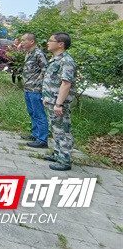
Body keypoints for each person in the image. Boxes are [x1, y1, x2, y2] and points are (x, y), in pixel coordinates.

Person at [42, 32, 77, 171]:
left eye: (51, 41)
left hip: (59, 102)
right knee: (56, 129)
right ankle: (58, 154)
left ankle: (65, 160)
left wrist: (59, 103)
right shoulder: (56, 59)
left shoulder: (66, 61)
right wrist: (47, 98)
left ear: (61, 44)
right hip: (52, 100)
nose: (48, 43)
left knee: (63, 130)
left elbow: (66, 83)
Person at [19, 33, 49, 149]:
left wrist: (46, 89)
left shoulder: (39, 54)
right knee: (32, 113)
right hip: (28, 88)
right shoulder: (29, 53)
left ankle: (42, 139)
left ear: (32, 41)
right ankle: (35, 134)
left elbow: (45, 72)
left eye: (24, 40)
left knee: (39, 114)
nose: (22, 42)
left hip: (36, 89)